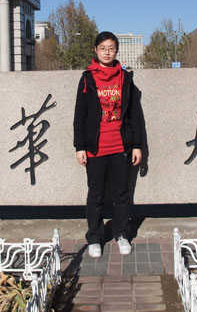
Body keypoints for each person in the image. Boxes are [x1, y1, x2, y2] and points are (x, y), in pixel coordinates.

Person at [73, 31, 144, 258]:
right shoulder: (87, 78)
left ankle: (122, 234)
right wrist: (80, 147)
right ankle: (95, 237)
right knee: (96, 195)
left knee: (121, 194)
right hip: (96, 147)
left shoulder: (125, 78)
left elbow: (134, 115)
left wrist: (137, 145)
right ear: (95, 50)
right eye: (103, 48)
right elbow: (80, 116)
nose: (107, 52)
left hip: (121, 146)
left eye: (111, 48)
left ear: (116, 51)